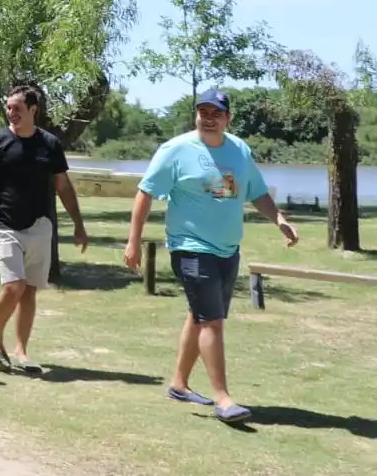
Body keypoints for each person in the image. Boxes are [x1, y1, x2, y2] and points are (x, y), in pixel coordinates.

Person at [126, 89, 297, 423]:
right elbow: (145, 193)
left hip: (227, 250)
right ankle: (223, 399)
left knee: (200, 315)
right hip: (190, 247)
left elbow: (255, 192)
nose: (208, 117)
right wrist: (134, 241)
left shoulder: (239, 150)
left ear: (227, 118)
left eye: (216, 112)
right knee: (212, 321)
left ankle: (179, 384)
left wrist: (279, 219)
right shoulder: (176, 150)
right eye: (202, 111)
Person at [0, 84, 88, 374]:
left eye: (17, 108)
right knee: (13, 287)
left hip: (40, 226)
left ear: (33, 110)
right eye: (9, 108)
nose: (11, 113)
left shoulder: (49, 144)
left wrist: (78, 224)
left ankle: (21, 351)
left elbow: (63, 186)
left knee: (29, 292)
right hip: (5, 226)